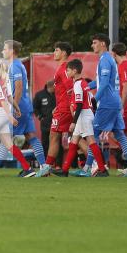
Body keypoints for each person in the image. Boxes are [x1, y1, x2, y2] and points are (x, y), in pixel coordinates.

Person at [83, 34, 127, 177]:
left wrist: (94, 99)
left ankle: (88, 168)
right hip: (115, 102)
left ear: (102, 44)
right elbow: (100, 82)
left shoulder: (105, 59)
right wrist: (84, 87)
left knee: (92, 134)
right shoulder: (107, 60)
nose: (92, 45)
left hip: (107, 102)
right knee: (119, 134)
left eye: (94, 43)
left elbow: (105, 84)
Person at [0, 39, 50, 177]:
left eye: (4, 48)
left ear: (12, 50)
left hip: (19, 106)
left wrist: (14, 106)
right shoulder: (17, 65)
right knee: (31, 136)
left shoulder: (15, 66)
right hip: (25, 106)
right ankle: (43, 166)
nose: (2, 51)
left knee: (6, 136)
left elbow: (19, 87)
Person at [55, 59, 108, 176]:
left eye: (68, 70)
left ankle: (102, 170)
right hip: (85, 114)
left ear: (74, 71)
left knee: (91, 142)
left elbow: (79, 105)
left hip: (83, 115)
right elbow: (91, 101)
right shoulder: (83, 82)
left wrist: (73, 122)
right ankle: (64, 170)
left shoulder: (78, 84)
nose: (67, 73)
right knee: (74, 142)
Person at [44, 42, 73, 171]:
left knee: (54, 135)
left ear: (64, 53)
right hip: (62, 107)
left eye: (56, 50)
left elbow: (71, 89)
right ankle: (93, 163)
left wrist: (72, 107)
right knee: (78, 137)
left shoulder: (65, 68)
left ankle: (48, 166)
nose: (54, 53)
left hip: (65, 109)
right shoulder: (61, 68)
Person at [32, 80, 55, 151]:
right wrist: (40, 117)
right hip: (45, 124)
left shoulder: (58, 94)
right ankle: (45, 161)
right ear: (51, 87)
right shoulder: (40, 95)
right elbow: (34, 107)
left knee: (57, 143)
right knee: (45, 144)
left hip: (56, 123)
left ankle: (58, 162)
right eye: (55, 87)